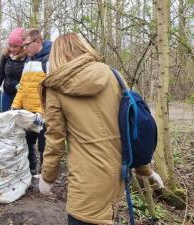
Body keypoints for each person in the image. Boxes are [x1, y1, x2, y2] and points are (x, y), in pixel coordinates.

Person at [38, 33, 164, 225]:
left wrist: (47, 177)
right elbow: (131, 126)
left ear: (56, 55)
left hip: (85, 177)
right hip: (115, 172)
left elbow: (55, 139)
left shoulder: (55, 87)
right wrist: (144, 168)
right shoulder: (112, 74)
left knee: (82, 219)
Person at [11, 28, 52, 174]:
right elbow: (22, 87)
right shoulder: (28, 61)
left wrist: (42, 112)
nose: (24, 48)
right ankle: (31, 170)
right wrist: (15, 106)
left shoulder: (48, 60)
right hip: (28, 112)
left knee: (44, 145)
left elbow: (51, 91)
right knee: (27, 142)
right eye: (24, 45)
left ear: (38, 41)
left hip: (43, 114)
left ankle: (45, 174)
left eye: (27, 45)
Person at [0, 28, 28, 112]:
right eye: (10, 45)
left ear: (22, 46)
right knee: (5, 119)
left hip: (21, 95)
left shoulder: (27, 58)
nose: (12, 49)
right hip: (7, 94)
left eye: (15, 46)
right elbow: (0, 75)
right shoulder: (6, 57)